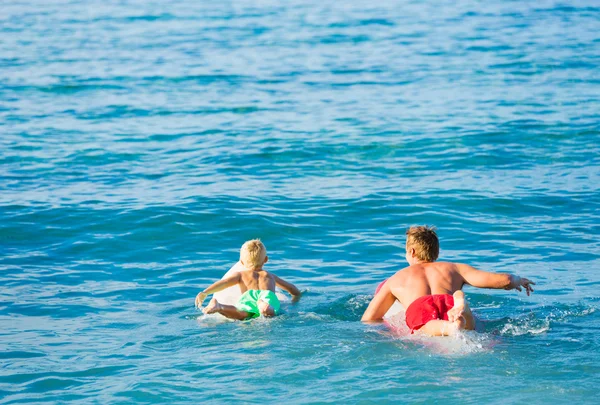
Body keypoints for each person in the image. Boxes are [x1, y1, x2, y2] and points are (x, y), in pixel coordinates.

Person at [361, 226, 535, 336]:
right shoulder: (455, 269)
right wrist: (518, 280)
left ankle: (449, 328)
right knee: (470, 324)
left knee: (425, 325)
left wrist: (390, 334)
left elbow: (369, 319)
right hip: (449, 301)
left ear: (411, 252)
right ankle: (461, 306)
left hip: (420, 306)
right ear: (436, 253)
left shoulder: (396, 279)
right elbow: (504, 280)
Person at [195, 239, 301, 320]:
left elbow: (223, 283)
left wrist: (205, 292)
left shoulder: (240, 275)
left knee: (242, 314)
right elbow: (292, 289)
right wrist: (295, 298)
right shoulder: (270, 276)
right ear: (266, 260)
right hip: (266, 296)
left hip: (248, 298)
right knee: (271, 314)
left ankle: (219, 307)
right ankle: (263, 305)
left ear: (241, 262)